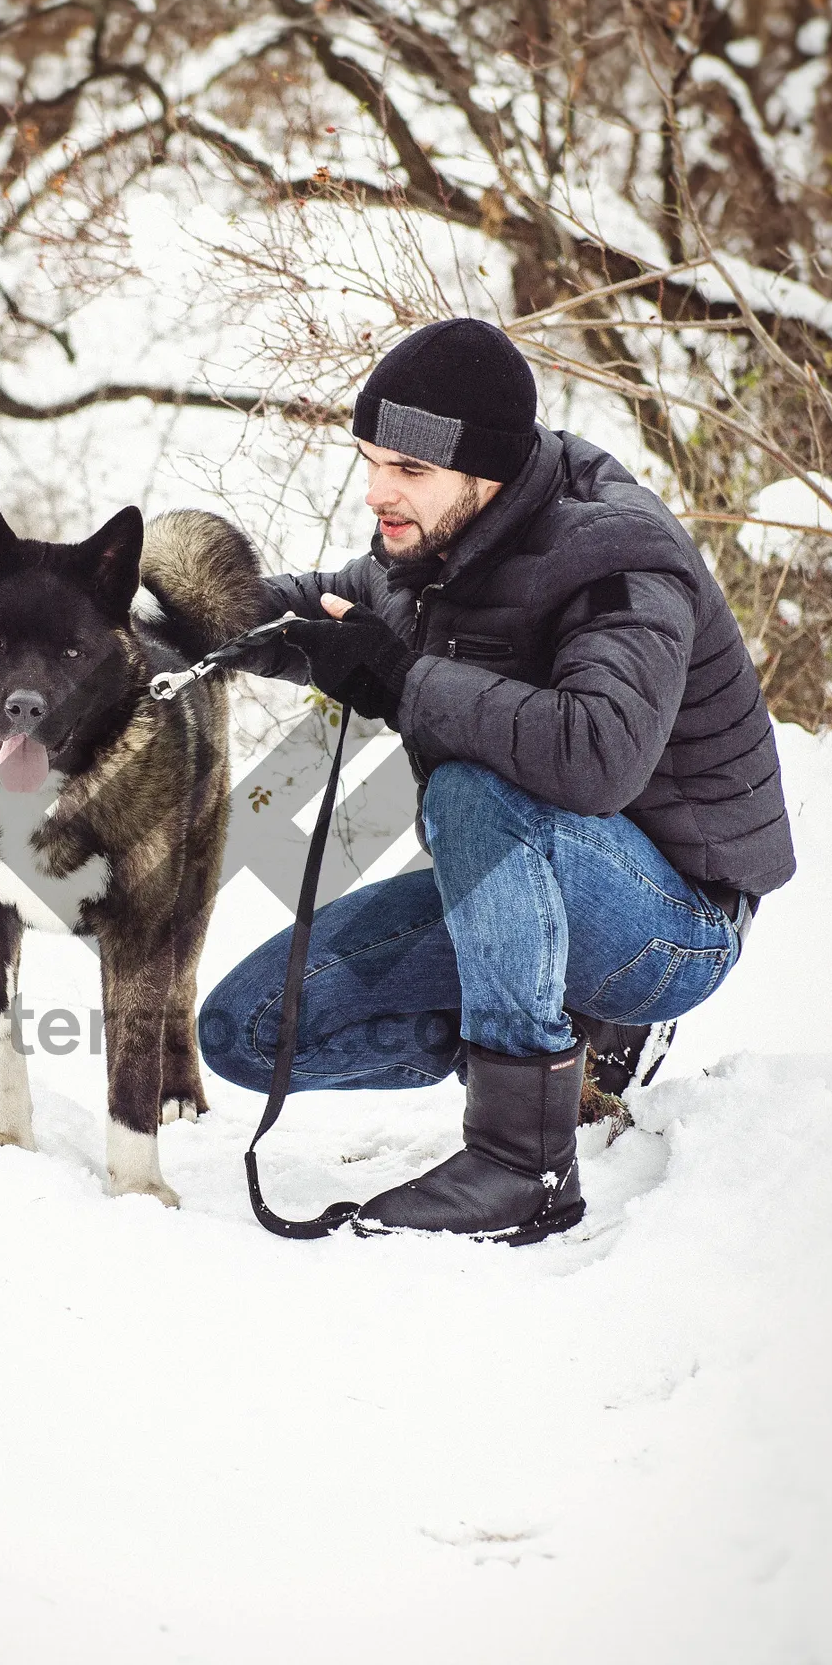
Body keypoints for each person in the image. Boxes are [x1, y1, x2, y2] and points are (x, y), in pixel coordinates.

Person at [198, 318, 795, 1243]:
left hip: (673, 923)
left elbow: (597, 754)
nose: (377, 493)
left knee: (471, 788)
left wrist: (402, 679)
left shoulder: (620, 555)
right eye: (369, 462)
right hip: (510, 890)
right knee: (246, 1033)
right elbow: (303, 608)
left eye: (406, 470)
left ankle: (524, 1163)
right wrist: (138, 624)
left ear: (486, 471)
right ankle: (559, 1046)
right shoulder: (426, 549)